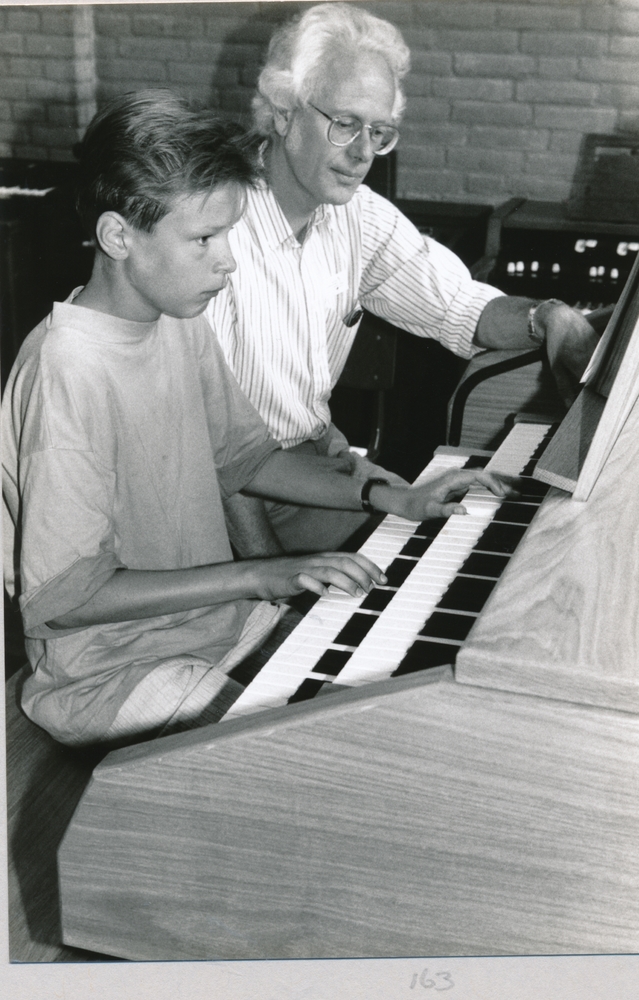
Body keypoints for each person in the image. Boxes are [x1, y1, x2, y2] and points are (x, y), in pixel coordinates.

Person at [2, 90, 513, 749]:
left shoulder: (175, 322)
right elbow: (67, 597)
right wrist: (262, 573)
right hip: (110, 673)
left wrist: (395, 496)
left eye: (229, 235)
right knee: (324, 754)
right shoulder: (67, 371)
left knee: (396, 700)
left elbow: (248, 459)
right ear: (118, 236)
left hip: (217, 626)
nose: (228, 260)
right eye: (204, 239)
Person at [206, 1, 598, 557]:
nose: (364, 153)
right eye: (345, 124)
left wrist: (549, 317)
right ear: (285, 110)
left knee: (474, 538)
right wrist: (268, 579)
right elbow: (208, 447)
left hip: (319, 465)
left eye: (380, 131)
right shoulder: (212, 228)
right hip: (225, 497)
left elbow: (461, 308)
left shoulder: (358, 215)